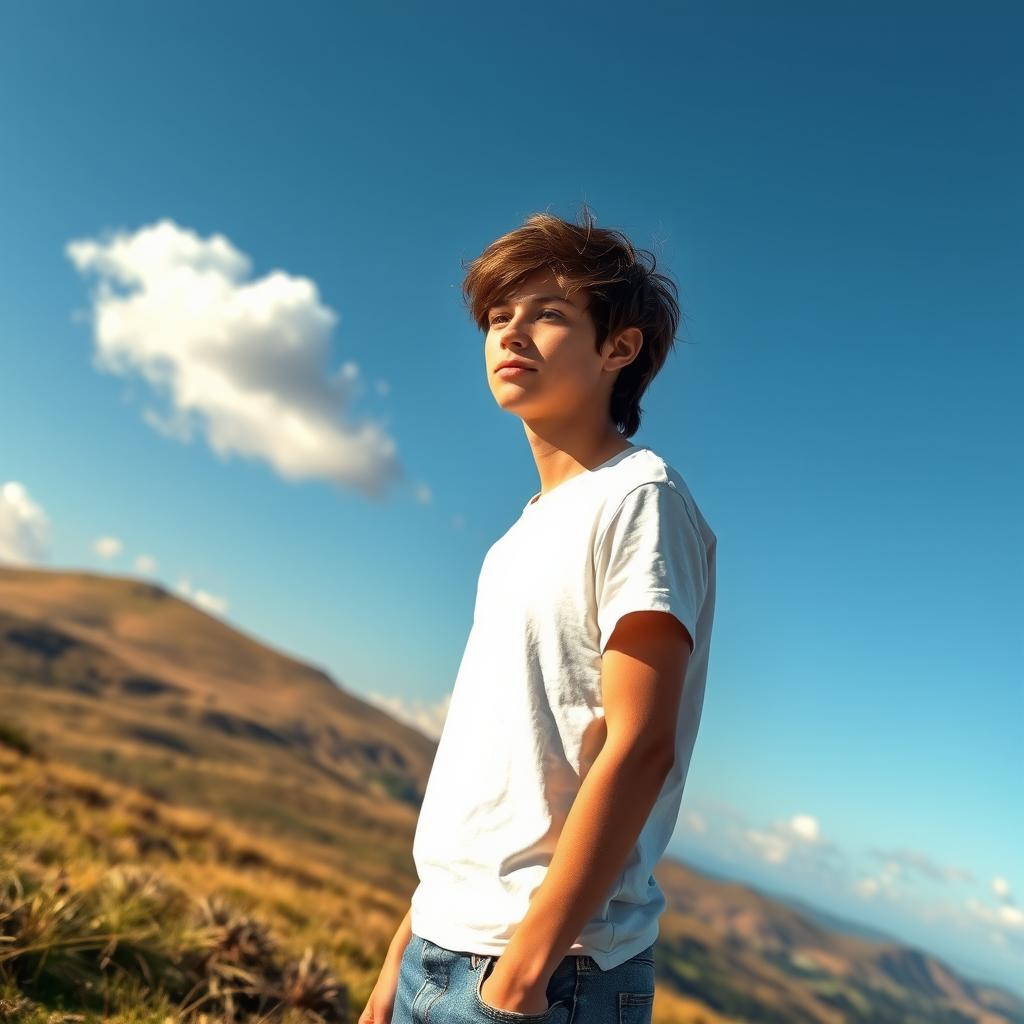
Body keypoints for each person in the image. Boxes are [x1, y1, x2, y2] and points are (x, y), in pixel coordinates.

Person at [360, 205, 717, 1024]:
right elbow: (495, 769)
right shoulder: (518, 534)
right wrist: (402, 956)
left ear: (618, 349)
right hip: (442, 952)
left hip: (550, 977)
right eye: (497, 317)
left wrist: (518, 981)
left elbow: (640, 745)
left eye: (547, 314)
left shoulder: (640, 498)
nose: (510, 334)